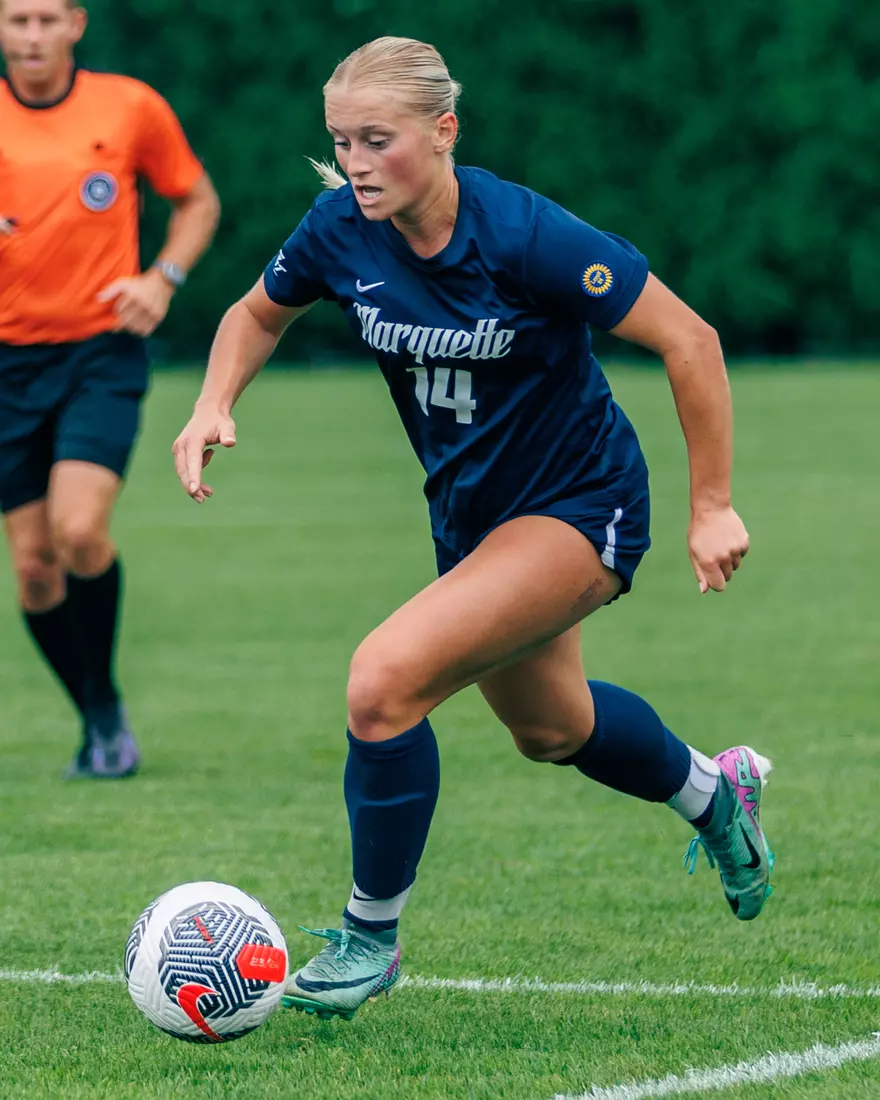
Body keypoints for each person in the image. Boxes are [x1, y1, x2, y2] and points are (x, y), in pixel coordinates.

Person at [173, 36, 774, 1021]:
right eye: (340, 141)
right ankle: (717, 796)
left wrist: (712, 505)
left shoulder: (525, 235)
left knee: (382, 679)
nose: (357, 162)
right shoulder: (339, 229)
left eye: (378, 139)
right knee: (552, 727)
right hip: (471, 519)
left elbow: (690, 340)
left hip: (582, 506)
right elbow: (254, 312)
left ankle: (369, 932)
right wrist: (211, 402)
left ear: (442, 132)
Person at [0, 0, 220, 777]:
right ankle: (99, 711)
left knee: (79, 532)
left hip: (100, 354)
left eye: (45, 19)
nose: (32, 36)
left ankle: (102, 712)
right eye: (16, 20)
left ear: (75, 24)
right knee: (33, 567)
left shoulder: (128, 106)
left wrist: (162, 278)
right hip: (6, 367)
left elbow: (197, 199)